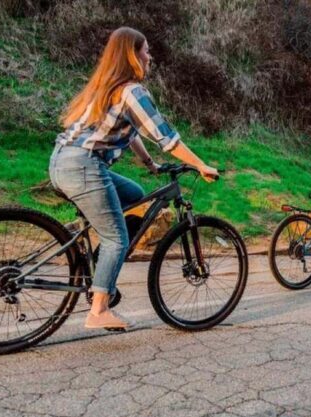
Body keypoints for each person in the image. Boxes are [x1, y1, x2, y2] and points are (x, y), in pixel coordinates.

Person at [48, 27, 218, 330]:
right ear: (132, 54)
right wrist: (202, 165)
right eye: (146, 50)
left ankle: (99, 269)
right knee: (118, 238)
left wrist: (150, 164)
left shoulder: (104, 86)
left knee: (135, 194)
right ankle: (98, 310)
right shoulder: (131, 91)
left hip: (62, 161)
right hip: (84, 167)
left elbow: (132, 132)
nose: (150, 57)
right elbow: (167, 138)